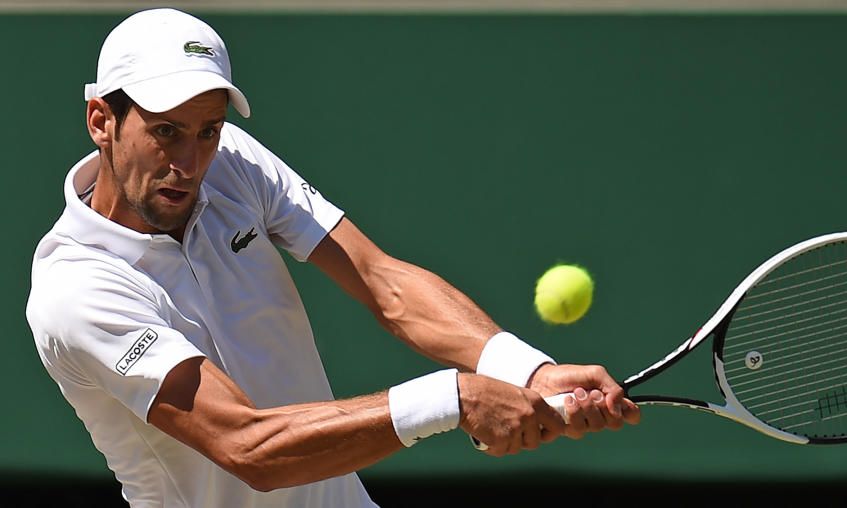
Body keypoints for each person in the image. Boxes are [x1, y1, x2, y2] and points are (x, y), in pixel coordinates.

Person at [25, 8, 640, 508]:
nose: (189, 161)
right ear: (102, 121)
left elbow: (381, 281)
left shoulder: (231, 160)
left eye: (206, 129)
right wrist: (452, 399)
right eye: (165, 131)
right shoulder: (76, 289)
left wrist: (525, 371)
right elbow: (249, 448)